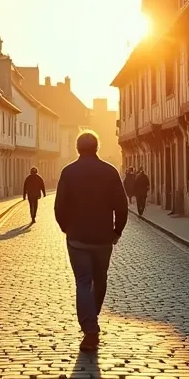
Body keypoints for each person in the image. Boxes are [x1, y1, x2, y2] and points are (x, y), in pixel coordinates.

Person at [54, 130, 128, 352]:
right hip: (103, 238)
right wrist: (116, 231)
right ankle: (91, 320)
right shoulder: (109, 171)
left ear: (78, 148)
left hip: (78, 238)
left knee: (83, 282)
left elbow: (59, 207)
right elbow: (121, 206)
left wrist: (67, 228)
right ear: (97, 147)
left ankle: (90, 327)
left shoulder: (68, 172)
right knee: (100, 279)